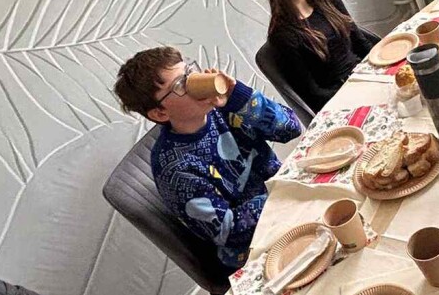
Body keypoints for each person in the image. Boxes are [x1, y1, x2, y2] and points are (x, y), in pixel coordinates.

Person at [113, 48, 302, 274]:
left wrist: (240, 97)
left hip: (290, 199)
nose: (193, 81)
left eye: (190, 72)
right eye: (180, 84)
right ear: (160, 113)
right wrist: (284, 191)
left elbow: (290, 128)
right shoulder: (175, 169)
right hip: (256, 245)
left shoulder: (225, 108)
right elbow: (229, 231)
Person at [258, 0, 380, 113]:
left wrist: (380, 73)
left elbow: (362, 45)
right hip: (342, 102)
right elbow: (314, 95)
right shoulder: (283, 36)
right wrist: (359, 90)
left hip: (368, 79)